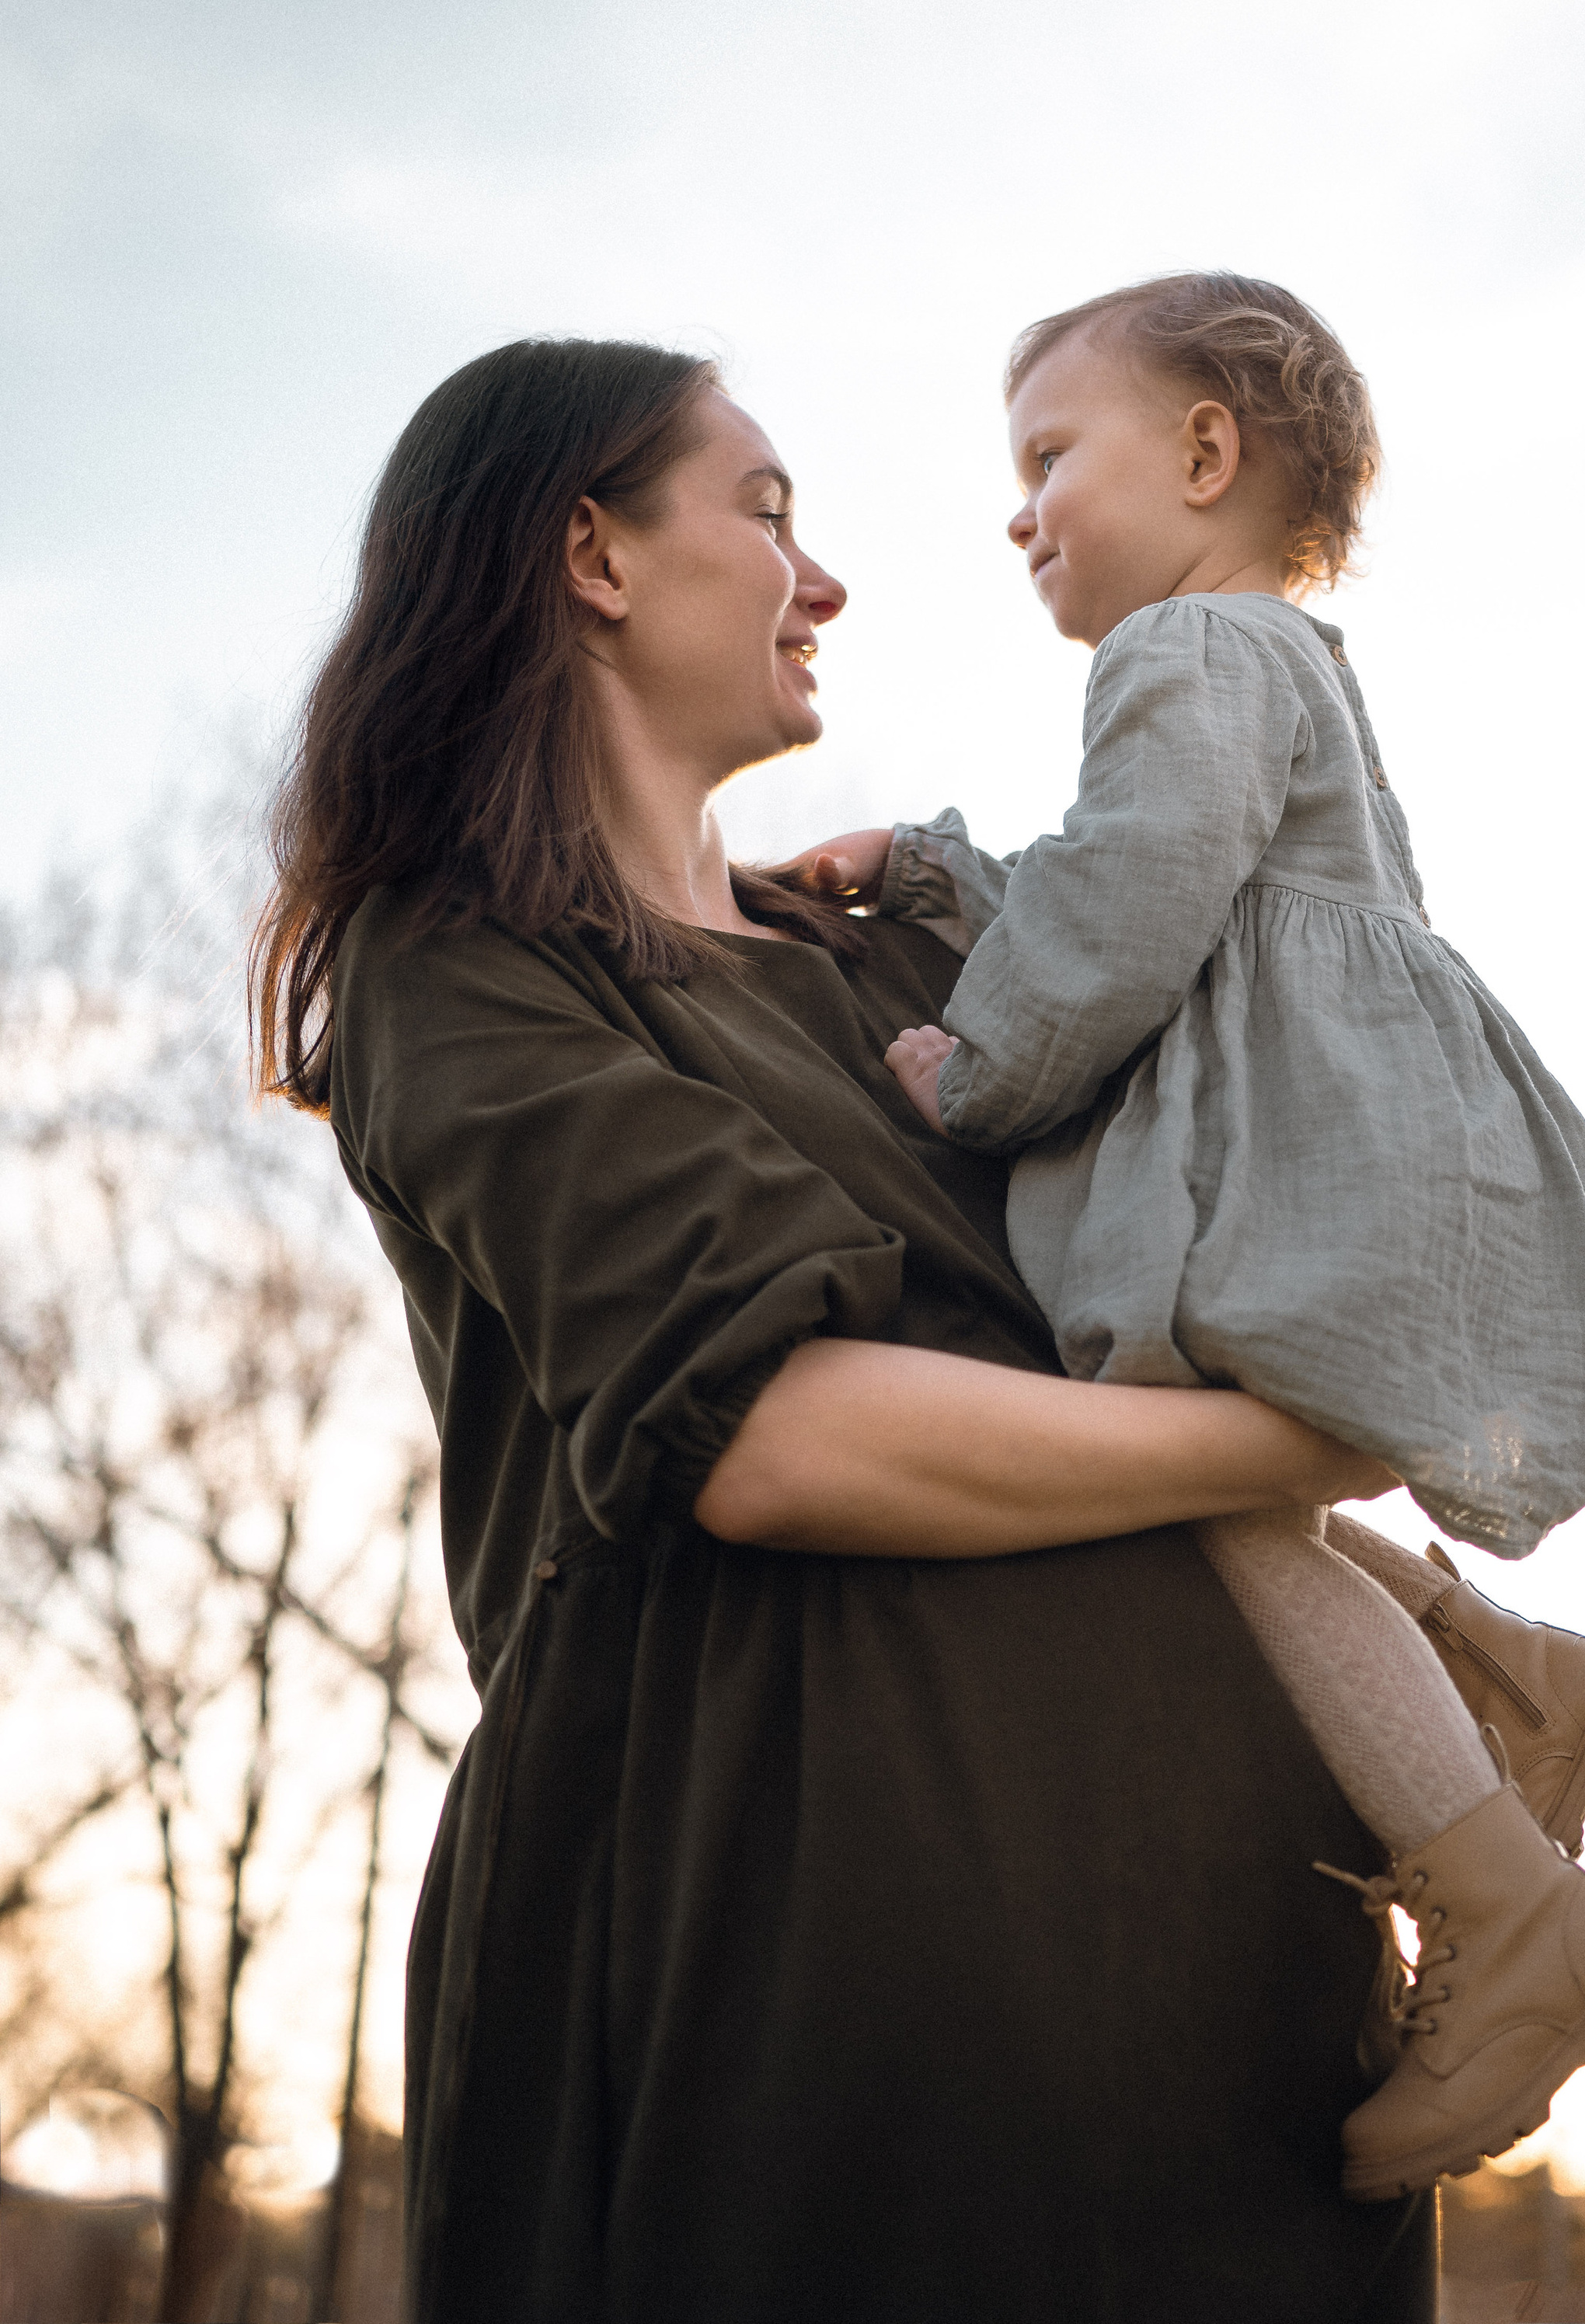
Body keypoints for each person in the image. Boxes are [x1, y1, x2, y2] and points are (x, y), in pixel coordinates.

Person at [250, 333, 1441, 2324]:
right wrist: (1299, 1436)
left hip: (1239, 2004)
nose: (824, 582)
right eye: (767, 512)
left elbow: (1307, 1066)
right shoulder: (458, 972)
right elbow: (781, 1434)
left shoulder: (914, 956)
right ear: (594, 558)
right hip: (809, 2005)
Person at [799, 274, 1585, 2202]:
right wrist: (945, 869)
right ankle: (1511, 1681)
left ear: (1203, 454)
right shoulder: (1276, 665)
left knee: (1171, 1492)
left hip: (1282, 1172)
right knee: (1222, 1497)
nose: (1018, 509)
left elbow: (1127, 906)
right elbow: (1149, 865)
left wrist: (977, 1077)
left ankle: (1510, 1907)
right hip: (1355, 1153)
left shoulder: (1181, 652)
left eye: (1050, 457)